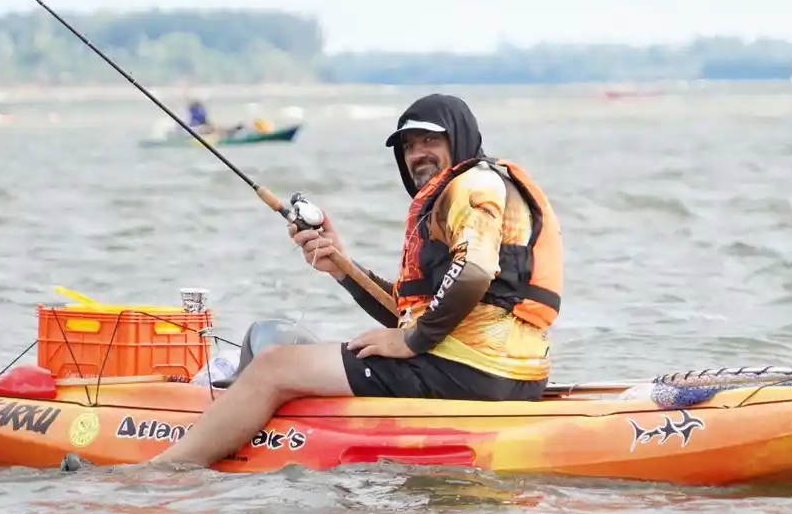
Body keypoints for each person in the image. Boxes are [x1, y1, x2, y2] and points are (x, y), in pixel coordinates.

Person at [150, 92, 563, 468]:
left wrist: (411, 342)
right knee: (330, 355)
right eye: (408, 146)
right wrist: (342, 266)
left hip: (468, 370)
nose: (418, 154)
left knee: (273, 365)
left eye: (430, 141)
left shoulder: (471, 184)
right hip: (515, 376)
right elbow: (419, 312)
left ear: (460, 139)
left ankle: (163, 473)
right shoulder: (471, 194)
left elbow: (471, 272)